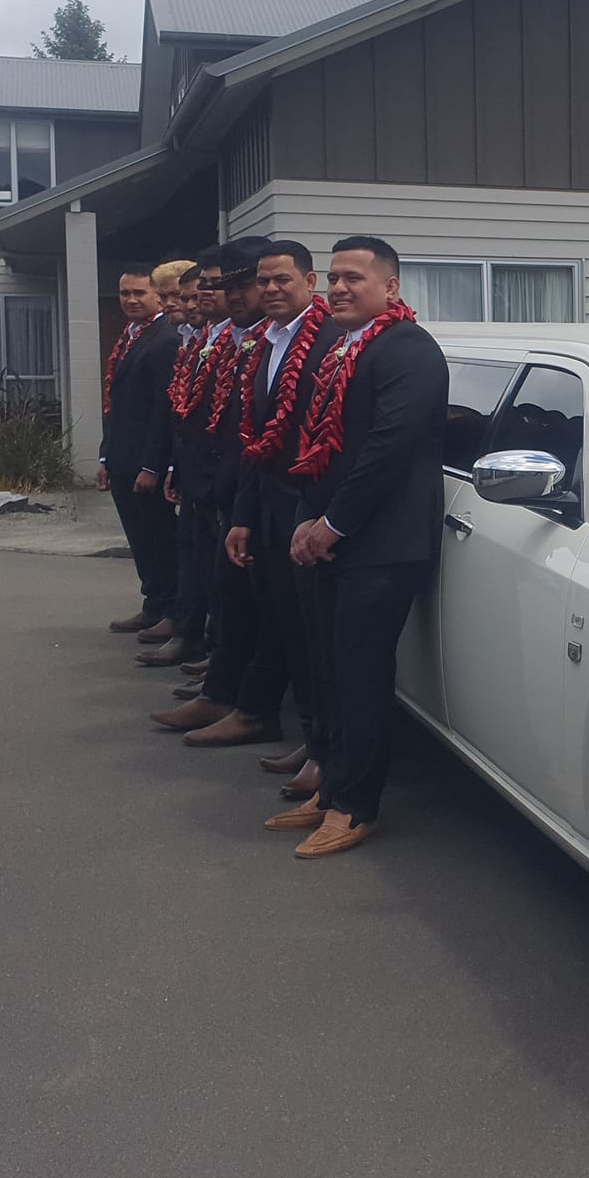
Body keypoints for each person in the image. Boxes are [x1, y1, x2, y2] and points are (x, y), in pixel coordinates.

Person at [265, 236, 447, 858]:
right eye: (334, 277)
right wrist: (303, 516)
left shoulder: (408, 351)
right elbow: (318, 445)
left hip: (382, 546)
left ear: (391, 288)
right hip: (331, 537)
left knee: (362, 676)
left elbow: (387, 450)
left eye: (354, 278)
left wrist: (331, 525)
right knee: (328, 671)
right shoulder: (343, 348)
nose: (339, 288)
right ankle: (332, 785)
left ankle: (355, 806)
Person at [184, 239, 340, 750]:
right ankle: (276, 722)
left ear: (310, 282)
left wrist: (317, 518)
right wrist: (244, 517)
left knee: (311, 639)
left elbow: (335, 441)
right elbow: (254, 440)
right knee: (279, 625)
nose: (270, 290)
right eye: (265, 281)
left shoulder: (334, 341)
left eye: (282, 280)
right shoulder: (265, 342)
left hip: (308, 516)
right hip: (268, 512)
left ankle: (321, 744)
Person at [152, 238, 270, 735]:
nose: (230, 296)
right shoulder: (244, 339)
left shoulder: (288, 341)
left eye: (245, 284)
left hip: (260, 497)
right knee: (227, 592)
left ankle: (245, 703)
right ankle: (226, 692)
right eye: (225, 286)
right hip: (223, 487)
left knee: (250, 604)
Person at [140, 259, 220, 668]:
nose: (183, 304)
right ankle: (190, 633)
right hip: (190, 469)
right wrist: (175, 466)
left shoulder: (209, 340)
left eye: (189, 296)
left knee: (212, 567)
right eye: (174, 297)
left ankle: (203, 640)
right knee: (191, 557)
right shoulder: (191, 338)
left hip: (216, 476)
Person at [101, 266, 180, 634]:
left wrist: (152, 465)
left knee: (159, 539)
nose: (131, 300)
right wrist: (105, 456)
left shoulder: (166, 339)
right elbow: (116, 403)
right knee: (139, 539)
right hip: (121, 456)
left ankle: (168, 607)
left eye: (139, 293)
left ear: (157, 296)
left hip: (145, 462)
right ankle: (153, 600)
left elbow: (162, 409)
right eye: (124, 294)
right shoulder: (130, 337)